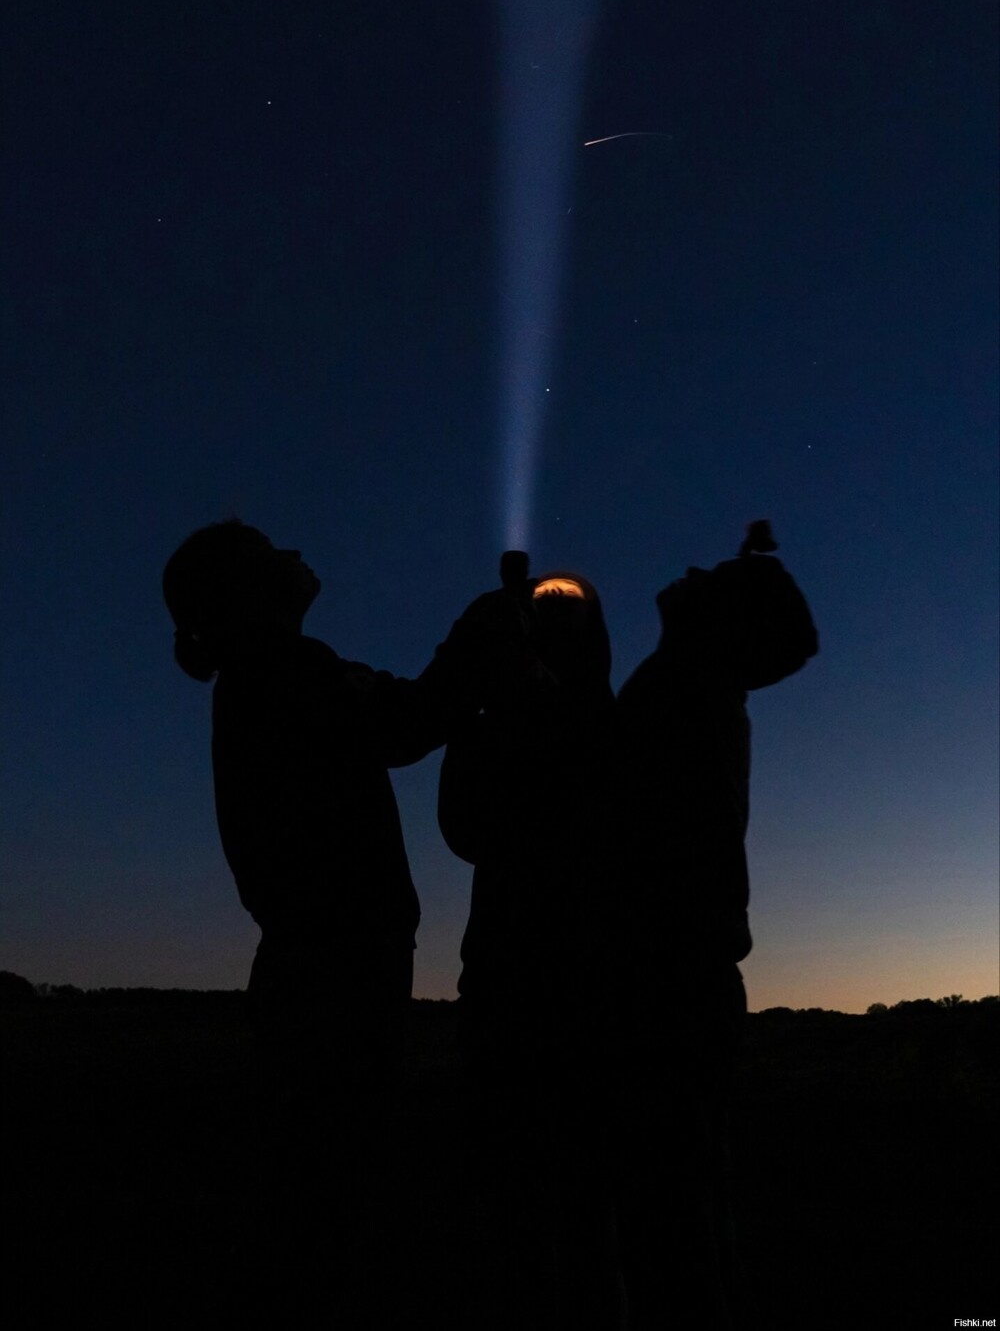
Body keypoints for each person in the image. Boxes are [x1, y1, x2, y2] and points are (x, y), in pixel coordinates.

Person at [161, 519, 523, 1320]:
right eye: (269, 552)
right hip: (338, 972)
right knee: (333, 1189)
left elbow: (407, 716)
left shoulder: (266, 677)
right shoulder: (288, 671)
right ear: (251, 592)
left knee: (315, 1181)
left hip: (314, 967)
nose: (293, 551)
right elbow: (409, 718)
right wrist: (478, 637)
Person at [609, 521, 818, 1330]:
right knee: (690, 1201)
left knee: (672, 1213)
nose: (688, 567)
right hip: (683, 984)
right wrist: (743, 567)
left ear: (720, 625)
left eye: (709, 579)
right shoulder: (694, 688)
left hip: (667, 987)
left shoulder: (686, 692)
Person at [438, 564, 621, 1330]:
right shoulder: (506, 716)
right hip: (509, 977)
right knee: (512, 1190)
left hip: (582, 985)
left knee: (581, 1193)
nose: (552, 614)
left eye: (566, 604)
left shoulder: (605, 723)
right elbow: (464, 828)